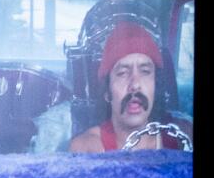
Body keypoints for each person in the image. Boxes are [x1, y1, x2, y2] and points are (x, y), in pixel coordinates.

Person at [67, 20, 193, 152]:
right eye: (122, 73)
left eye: (145, 72)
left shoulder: (184, 137)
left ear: (156, 86)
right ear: (107, 92)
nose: (135, 85)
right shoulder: (86, 149)